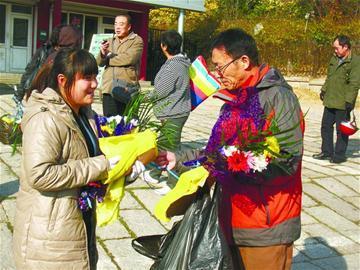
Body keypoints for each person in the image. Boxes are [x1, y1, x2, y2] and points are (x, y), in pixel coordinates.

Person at [155, 28, 304, 269]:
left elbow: (287, 160)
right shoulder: (235, 98)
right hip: (230, 219)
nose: (217, 74)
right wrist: (178, 157)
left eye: (220, 66)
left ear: (244, 61)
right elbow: (217, 150)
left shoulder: (278, 98)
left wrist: (236, 164)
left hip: (265, 226)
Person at [12, 48, 119, 270]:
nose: (94, 84)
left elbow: (91, 156)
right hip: (50, 239)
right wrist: (100, 165)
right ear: (63, 80)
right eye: (86, 78)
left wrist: (126, 167)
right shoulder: (46, 119)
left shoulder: (83, 113)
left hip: (77, 225)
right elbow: (40, 174)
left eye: (95, 77)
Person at [143, 30, 191, 186]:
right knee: (171, 145)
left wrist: (141, 98)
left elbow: (161, 91)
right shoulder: (181, 62)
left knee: (167, 146)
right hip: (177, 110)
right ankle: (162, 175)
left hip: (173, 112)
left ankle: (171, 181)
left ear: (164, 46)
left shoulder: (173, 66)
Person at [313, 35, 359, 164]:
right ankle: (326, 152)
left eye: (337, 48)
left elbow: (354, 83)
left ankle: (339, 155)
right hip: (330, 99)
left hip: (343, 102)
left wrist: (349, 101)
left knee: (342, 130)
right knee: (325, 126)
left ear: (345, 47)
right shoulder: (334, 58)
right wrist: (324, 89)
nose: (335, 51)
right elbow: (330, 77)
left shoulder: (355, 62)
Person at [14, 24, 83, 104]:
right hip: (48, 99)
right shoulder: (54, 55)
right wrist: (20, 94)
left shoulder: (68, 55)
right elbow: (29, 71)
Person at [97, 13, 144, 116]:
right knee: (110, 125)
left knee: (128, 125)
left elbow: (128, 58)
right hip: (108, 89)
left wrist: (109, 56)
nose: (117, 27)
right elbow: (99, 63)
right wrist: (102, 53)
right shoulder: (109, 41)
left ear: (129, 27)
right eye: (115, 24)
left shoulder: (137, 40)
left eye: (121, 24)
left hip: (126, 88)